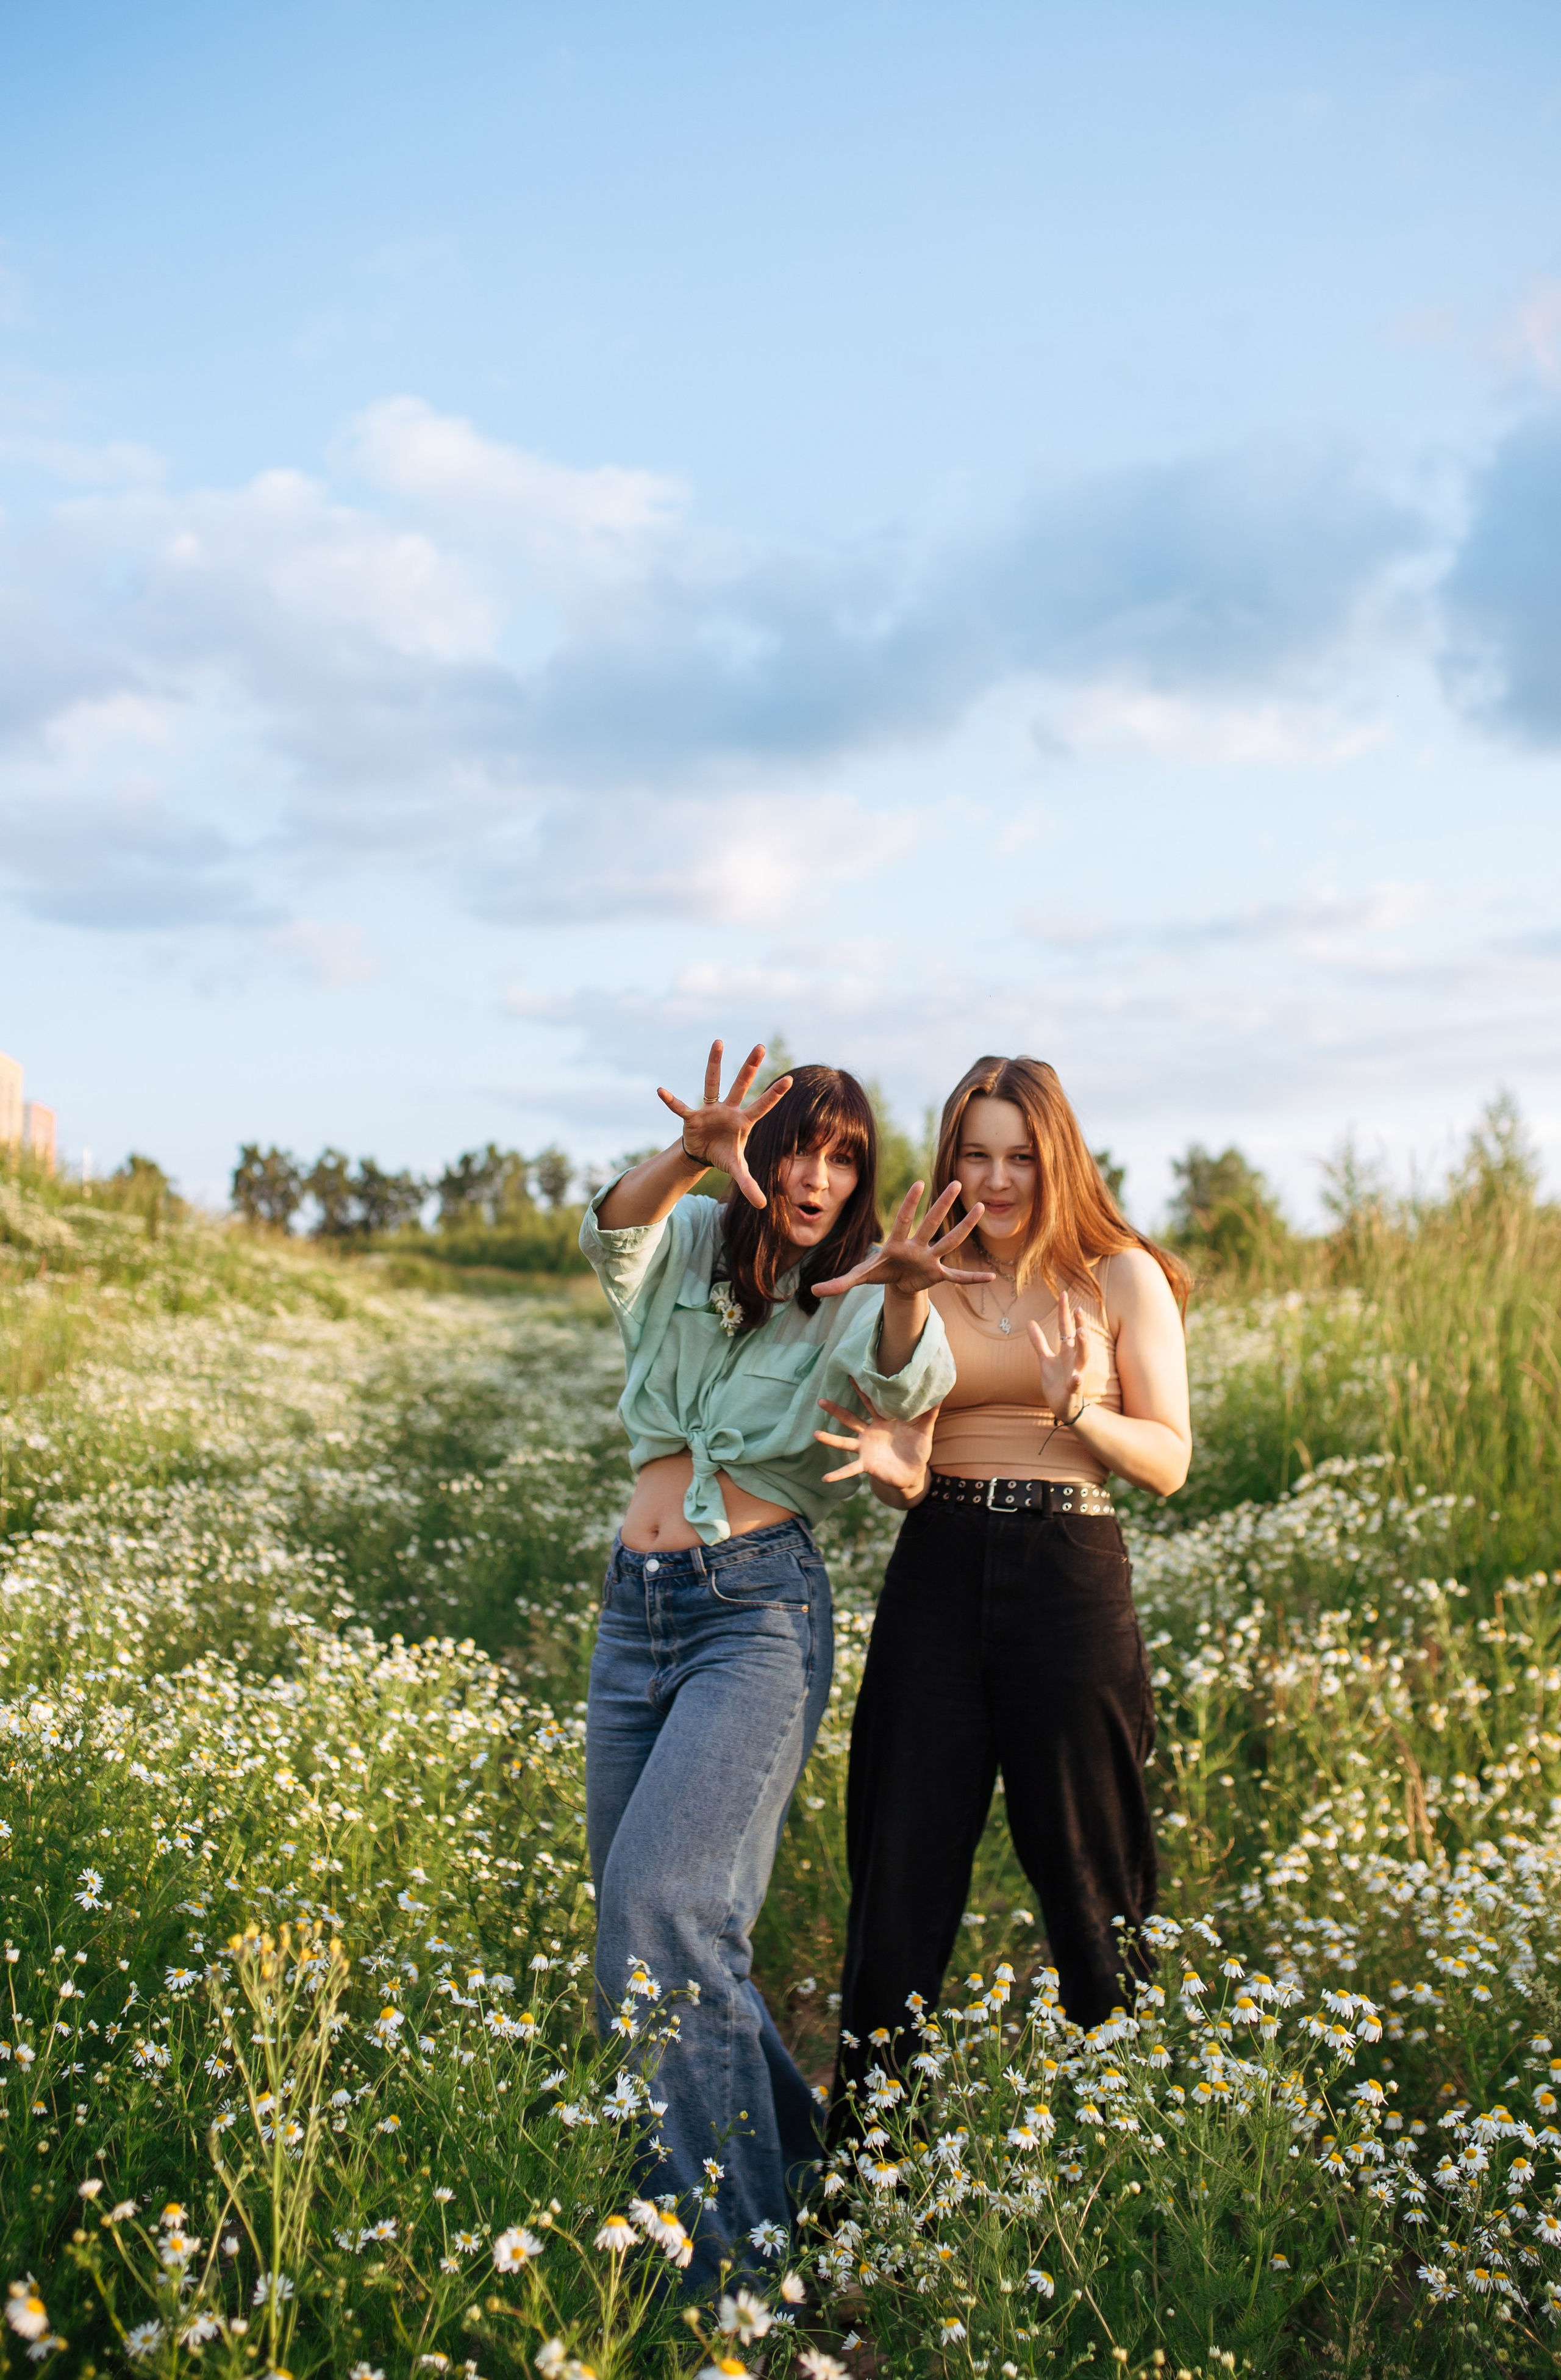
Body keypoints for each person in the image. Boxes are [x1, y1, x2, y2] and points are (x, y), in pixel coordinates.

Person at [580, 1038, 989, 2285]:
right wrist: (685, 1155)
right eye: (798, 1145)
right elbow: (612, 1237)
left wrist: (912, 1288)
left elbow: (903, 1375)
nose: (816, 1174)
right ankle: (807, 2186)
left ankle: (728, 2291)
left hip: (752, 1616)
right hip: (634, 1609)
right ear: (758, 1148)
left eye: (843, 1155)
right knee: (649, 1934)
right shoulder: (700, 1240)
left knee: (665, 1910)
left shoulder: (864, 1284)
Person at [814, 1054, 1191, 2115]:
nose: (997, 1178)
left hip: (1070, 1572)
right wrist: (903, 1474)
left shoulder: (1119, 1275)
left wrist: (1080, 1411)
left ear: (1056, 1156)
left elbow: (1168, 1459)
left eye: (1020, 1155)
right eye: (975, 1154)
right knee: (901, 1876)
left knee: (1092, 1880)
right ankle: (864, 2179)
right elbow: (905, 1440)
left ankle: (1124, 2154)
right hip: (938, 1560)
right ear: (949, 1162)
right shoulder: (928, 1272)